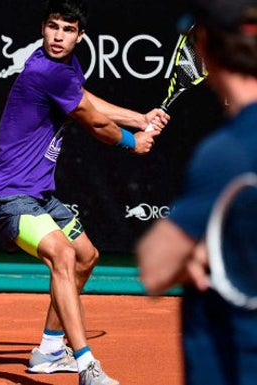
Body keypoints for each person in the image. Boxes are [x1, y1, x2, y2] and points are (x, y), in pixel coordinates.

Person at [0, 0, 169, 384]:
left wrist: (140, 117)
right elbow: (94, 122)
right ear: (43, 28)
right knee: (64, 255)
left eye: (68, 30)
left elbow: (84, 100)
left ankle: (50, 351)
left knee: (86, 256)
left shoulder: (67, 68)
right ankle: (87, 366)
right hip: (8, 194)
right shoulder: (45, 69)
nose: (58, 36)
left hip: (38, 194)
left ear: (79, 36)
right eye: (53, 27)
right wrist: (133, 141)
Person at [137, 0, 257, 384]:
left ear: (204, 47)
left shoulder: (225, 153)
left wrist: (195, 247)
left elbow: (155, 269)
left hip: (232, 363)